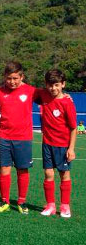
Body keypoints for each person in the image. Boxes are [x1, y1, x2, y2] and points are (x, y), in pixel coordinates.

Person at [0, 61, 40, 214]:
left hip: (23, 138)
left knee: (22, 170)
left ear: (22, 77)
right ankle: (4, 201)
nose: (12, 81)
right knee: (4, 169)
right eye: (9, 78)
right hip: (4, 137)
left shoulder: (31, 91)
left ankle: (21, 201)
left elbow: (50, 97)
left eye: (15, 78)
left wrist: (66, 96)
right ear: (5, 77)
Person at [38, 69, 77, 218]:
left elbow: (73, 128)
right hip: (47, 143)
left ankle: (65, 206)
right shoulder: (44, 95)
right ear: (46, 85)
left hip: (63, 145)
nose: (53, 88)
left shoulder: (67, 103)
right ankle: (50, 205)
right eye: (50, 85)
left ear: (63, 84)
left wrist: (71, 148)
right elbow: (26, 88)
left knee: (64, 174)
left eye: (56, 85)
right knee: (48, 174)